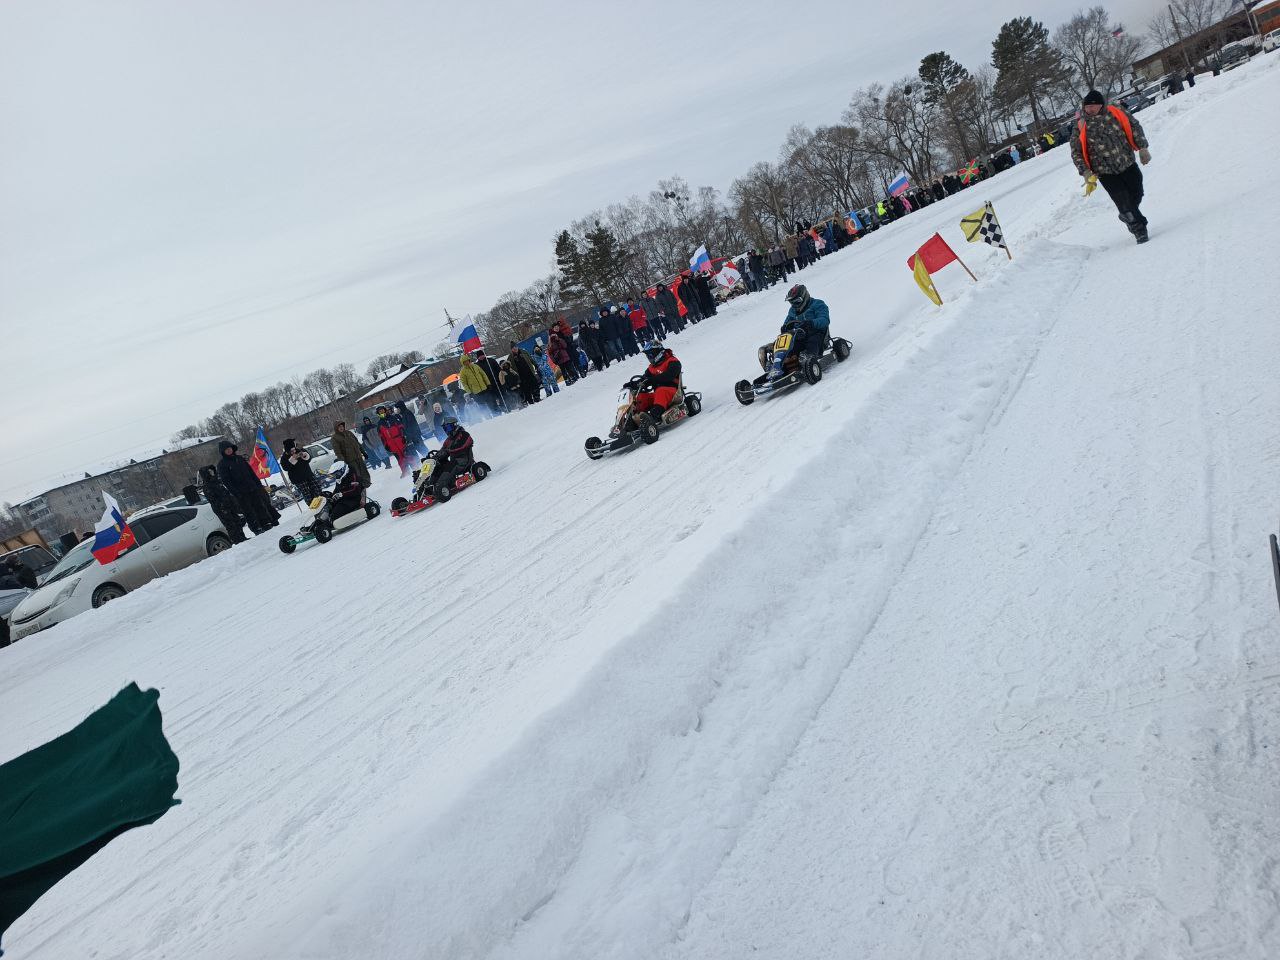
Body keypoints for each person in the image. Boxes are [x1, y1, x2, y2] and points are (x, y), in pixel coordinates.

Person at [1070, 89, 1151, 243]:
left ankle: (1126, 214)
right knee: (1123, 201)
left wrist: (1143, 148)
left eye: (1094, 106)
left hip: (1127, 162)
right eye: (1087, 106)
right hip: (1105, 172)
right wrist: (1085, 172)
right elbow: (1076, 151)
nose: (1090, 109)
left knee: (1137, 193)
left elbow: (1134, 126)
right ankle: (1138, 228)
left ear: (1102, 105)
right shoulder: (1080, 125)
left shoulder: (1116, 112)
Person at [215, 441, 278, 534]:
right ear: (222, 452)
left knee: (259, 506)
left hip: (252, 487)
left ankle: (265, 523)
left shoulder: (240, 458)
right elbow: (226, 481)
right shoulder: (222, 465)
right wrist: (236, 493)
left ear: (232, 448)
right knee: (248, 510)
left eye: (229, 448)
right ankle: (256, 527)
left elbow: (251, 472)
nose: (228, 450)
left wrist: (258, 484)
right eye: (226, 449)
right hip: (240, 493)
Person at [629, 341, 683, 427]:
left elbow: (668, 376)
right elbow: (644, 380)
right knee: (640, 397)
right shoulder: (652, 368)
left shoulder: (673, 362)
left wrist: (651, 380)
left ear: (658, 352)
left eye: (650, 355)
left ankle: (654, 416)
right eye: (648, 356)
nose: (649, 358)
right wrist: (631, 384)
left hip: (673, 393)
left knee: (661, 391)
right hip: (658, 395)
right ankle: (633, 420)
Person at [781, 283, 830, 361]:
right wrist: (785, 327)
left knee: (812, 340)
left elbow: (825, 320)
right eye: (791, 302)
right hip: (799, 335)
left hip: (817, 333)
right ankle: (782, 361)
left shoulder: (818, 304)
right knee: (788, 344)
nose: (794, 304)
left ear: (804, 297)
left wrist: (811, 323)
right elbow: (788, 321)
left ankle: (808, 358)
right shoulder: (792, 310)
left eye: (796, 301)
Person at [435, 418, 475, 489]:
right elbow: (443, 449)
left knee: (450, 466)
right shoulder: (449, 440)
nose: (447, 430)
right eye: (445, 428)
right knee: (438, 466)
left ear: (455, 425)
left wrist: (448, 451)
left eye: (448, 428)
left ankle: (440, 486)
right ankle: (429, 487)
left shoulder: (464, 434)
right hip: (454, 461)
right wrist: (435, 457)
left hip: (464, 460)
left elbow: (461, 446)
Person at [330, 420, 372, 487]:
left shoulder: (349, 433)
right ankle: (360, 486)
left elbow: (357, 443)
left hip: (358, 456)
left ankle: (367, 484)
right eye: (339, 427)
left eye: (342, 426)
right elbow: (338, 452)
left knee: (364, 471)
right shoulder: (334, 438)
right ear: (336, 428)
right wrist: (343, 462)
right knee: (356, 473)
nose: (341, 428)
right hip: (349, 460)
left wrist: (363, 452)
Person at [376, 405, 410, 477]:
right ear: (378, 413)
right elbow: (381, 437)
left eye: (382, 410)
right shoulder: (379, 424)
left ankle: (415, 466)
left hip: (399, 439)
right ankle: (405, 471)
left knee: (407, 454)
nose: (382, 412)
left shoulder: (392, 418)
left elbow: (401, 427)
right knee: (399, 458)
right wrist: (386, 445)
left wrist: (404, 436)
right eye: (380, 411)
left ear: (385, 410)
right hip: (391, 443)